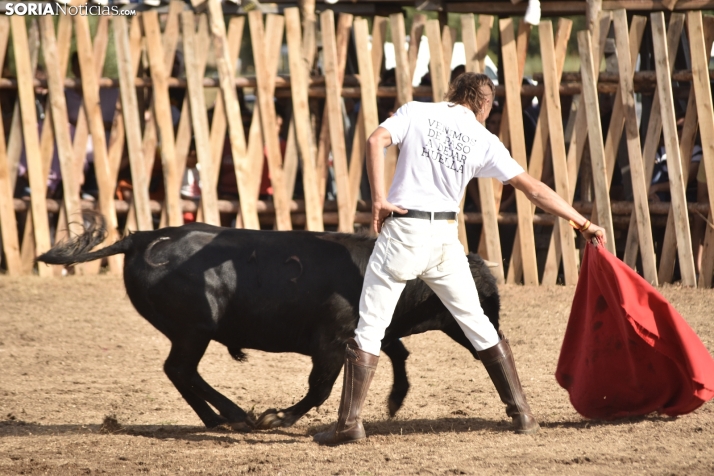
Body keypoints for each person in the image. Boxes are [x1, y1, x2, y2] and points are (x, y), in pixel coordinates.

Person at [313, 72, 606, 446]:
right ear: (485, 103)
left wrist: (378, 198)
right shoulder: (483, 138)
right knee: (478, 325)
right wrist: (581, 222)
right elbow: (533, 189)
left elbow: (376, 140)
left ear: (453, 92)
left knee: (370, 327)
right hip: (444, 240)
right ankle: (522, 413)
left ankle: (349, 425)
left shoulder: (417, 112)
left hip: (405, 231)